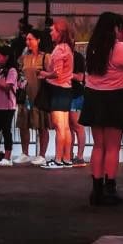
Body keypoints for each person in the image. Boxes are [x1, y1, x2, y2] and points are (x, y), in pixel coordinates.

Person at [82, 12, 123, 206]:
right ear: (115, 29)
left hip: (93, 98)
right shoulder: (122, 48)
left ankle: (96, 190)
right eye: (122, 27)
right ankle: (110, 189)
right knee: (112, 147)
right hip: (114, 99)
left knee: (98, 145)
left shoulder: (93, 47)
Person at [37, 18, 77, 168]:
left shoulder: (60, 49)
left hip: (59, 90)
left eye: (53, 30)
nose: (50, 32)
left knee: (59, 126)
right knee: (65, 127)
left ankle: (58, 159)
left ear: (59, 32)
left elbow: (57, 74)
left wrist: (44, 74)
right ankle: (66, 158)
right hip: (66, 89)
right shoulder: (67, 48)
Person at [16, 29, 49, 165]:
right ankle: (25, 153)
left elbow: (50, 75)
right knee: (24, 125)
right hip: (26, 95)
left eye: (30, 39)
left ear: (38, 40)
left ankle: (42, 154)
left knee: (42, 125)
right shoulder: (24, 57)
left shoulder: (45, 57)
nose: (28, 42)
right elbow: (19, 72)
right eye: (27, 39)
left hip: (40, 95)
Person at [0, 46, 19, 166]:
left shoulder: (12, 71)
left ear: (6, 57)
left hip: (8, 106)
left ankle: (7, 157)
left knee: (6, 130)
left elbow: (7, 86)